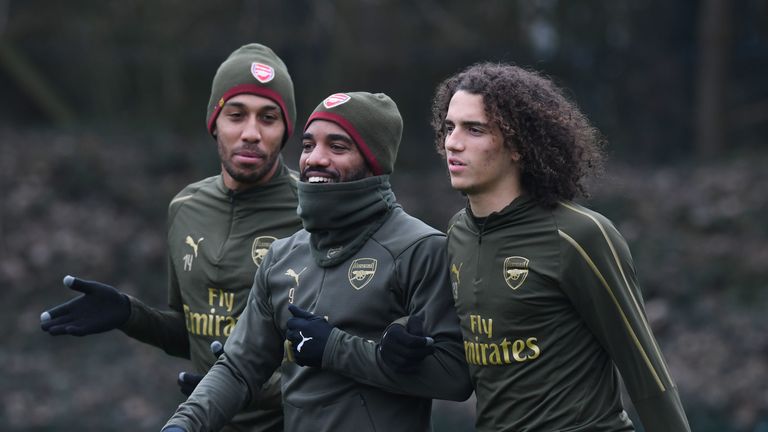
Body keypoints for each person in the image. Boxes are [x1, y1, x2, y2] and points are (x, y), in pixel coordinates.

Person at [161, 91, 473, 432]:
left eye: (337, 147)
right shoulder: (282, 257)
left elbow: (454, 376)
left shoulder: (420, 249)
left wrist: (336, 349)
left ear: (374, 162)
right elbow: (238, 368)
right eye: (309, 145)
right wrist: (182, 425)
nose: (315, 159)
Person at [40, 43, 303, 432]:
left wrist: (246, 389)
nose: (251, 132)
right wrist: (130, 315)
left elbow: (338, 353)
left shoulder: (312, 212)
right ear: (215, 121)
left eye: (268, 118)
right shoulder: (185, 206)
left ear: (285, 131)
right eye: (236, 115)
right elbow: (195, 334)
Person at [430, 63, 691, 431]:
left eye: (475, 130)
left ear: (518, 145)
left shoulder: (579, 234)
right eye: (449, 128)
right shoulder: (457, 234)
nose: (453, 142)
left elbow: (645, 371)